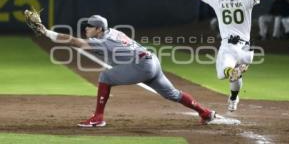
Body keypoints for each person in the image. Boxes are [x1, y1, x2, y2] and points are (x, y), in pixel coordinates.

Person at [34, 15, 216, 127]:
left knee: (105, 75)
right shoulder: (113, 32)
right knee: (173, 94)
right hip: (151, 61)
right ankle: (205, 113)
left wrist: (46, 32)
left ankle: (98, 118)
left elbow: (74, 41)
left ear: (98, 29)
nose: (86, 28)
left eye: (89, 26)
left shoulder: (104, 40)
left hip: (141, 66)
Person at [193, 0, 277, 111]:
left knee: (223, 72)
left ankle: (232, 72)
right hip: (246, 48)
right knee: (235, 76)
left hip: (229, 46)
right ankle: (233, 97)